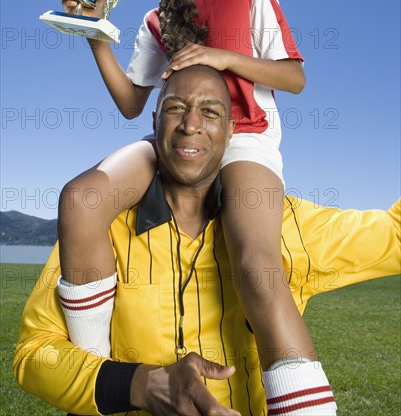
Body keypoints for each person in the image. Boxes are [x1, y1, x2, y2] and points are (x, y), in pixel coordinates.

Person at [14, 66, 400, 415]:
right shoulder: (104, 228)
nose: (191, 125)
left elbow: (394, 235)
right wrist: (142, 384)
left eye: (211, 112)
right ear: (155, 122)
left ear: (232, 131)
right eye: (176, 108)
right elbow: (34, 356)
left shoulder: (288, 226)